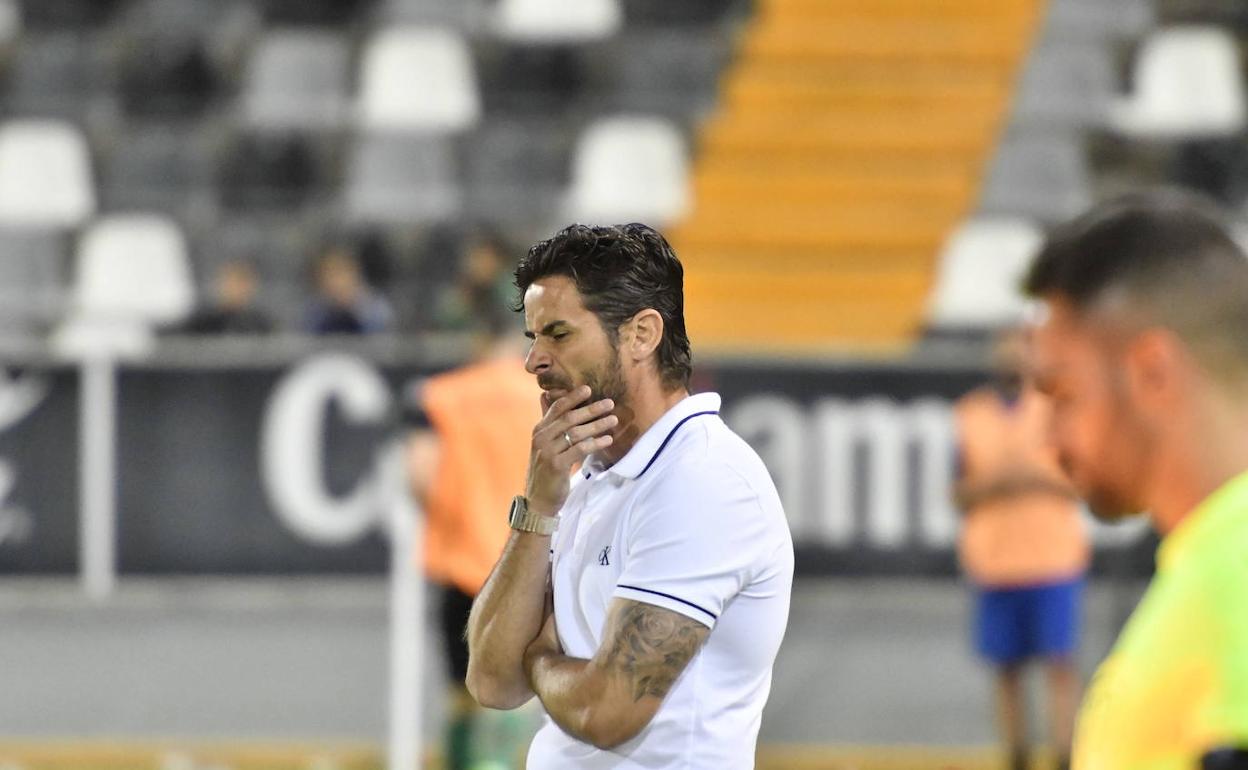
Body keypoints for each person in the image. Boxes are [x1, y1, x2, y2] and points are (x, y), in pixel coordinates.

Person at [464, 223, 794, 769]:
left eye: (559, 334)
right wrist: (537, 509)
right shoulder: (582, 480)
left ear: (642, 334)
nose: (534, 361)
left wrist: (542, 657)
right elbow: (493, 681)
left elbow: (608, 711)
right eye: (533, 337)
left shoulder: (704, 482)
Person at [1023, 190, 1248, 770]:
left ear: (1152, 371)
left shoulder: (1235, 571)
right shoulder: (1210, 558)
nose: (1048, 439)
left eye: (1064, 395)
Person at [406, 304, 540, 770]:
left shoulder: (443, 396)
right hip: (528, 566)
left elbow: (420, 473)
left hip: (464, 566)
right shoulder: (545, 397)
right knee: (520, 690)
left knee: (460, 692)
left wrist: (453, 521)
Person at [954, 329, 1089, 770]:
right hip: (996, 561)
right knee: (1006, 670)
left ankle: (1064, 755)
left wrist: (1035, 478)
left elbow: (1086, 478)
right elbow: (958, 491)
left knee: (1059, 665)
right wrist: (996, 484)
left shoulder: (1055, 408)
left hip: (1053, 558)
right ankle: (1017, 756)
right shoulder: (972, 414)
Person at [304, 246, 394, 335]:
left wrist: (354, 306)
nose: (335, 282)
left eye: (339, 274)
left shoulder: (375, 305)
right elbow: (306, 336)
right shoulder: (315, 307)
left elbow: (382, 337)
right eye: (329, 275)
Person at [179, 260, 274, 335]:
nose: (236, 289)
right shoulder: (204, 322)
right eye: (231, 283)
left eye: (241, 284)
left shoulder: (260, 324)